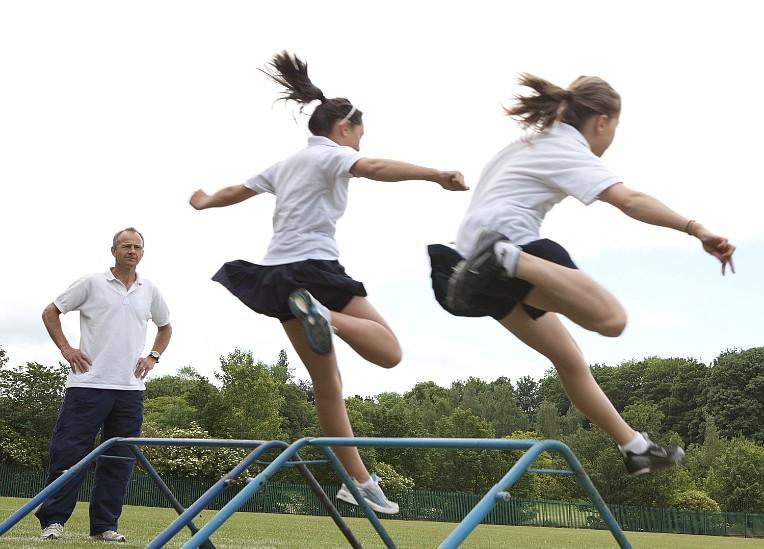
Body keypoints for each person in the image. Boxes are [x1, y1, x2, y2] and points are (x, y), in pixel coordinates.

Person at [189, 51, 467, 515]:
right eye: (360, 134)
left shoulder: (286, 164)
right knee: (389, 352)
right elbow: (375, 169)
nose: (359, 143)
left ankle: (358, 481)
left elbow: (237, 191)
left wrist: (205, 202)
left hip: (276, 277)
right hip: (314, 269)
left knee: (327, 387)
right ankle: (326, 315)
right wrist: (435, 175)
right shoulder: (334, 157)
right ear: (345, 129)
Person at [428, 74, 736, 475]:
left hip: (466, 268)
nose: (611, 141)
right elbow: (629, 199)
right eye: (616, 129)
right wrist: (696, 228)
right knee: (611, 319)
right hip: (507, 247)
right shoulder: (566, 145)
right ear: (602, 121)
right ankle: (503, 259)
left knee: (569, 359)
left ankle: (635, 447)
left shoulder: (530, 142)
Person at [37, 227, 172, 542]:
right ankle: (53, 522)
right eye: (126, 246)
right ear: (113, 250)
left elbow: (165, 327)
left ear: (143, 252)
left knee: (120, 461)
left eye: (137, 247)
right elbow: (50, 312)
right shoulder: (91, 283)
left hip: (130, 391)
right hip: (87, 385)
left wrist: (152, 357)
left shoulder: (149, 289)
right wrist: (66, 349)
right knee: (69, 455)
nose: (132, 251)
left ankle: (104, 526)